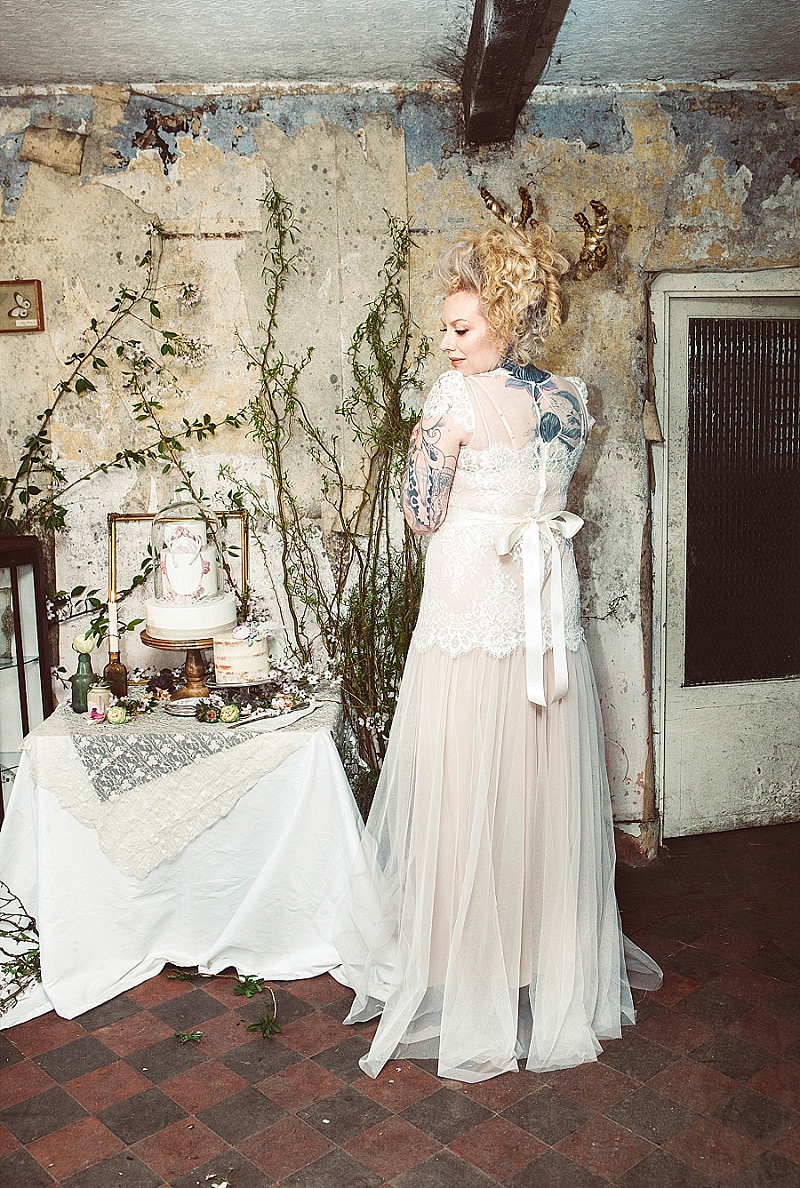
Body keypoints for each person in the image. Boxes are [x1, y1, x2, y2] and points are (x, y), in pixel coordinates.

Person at [333, 217, 662, 1084]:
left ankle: (466, 963)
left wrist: (425, 447)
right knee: (537, 784)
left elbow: (421, 514)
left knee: (465, 776)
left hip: (474, 612)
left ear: (504, 320)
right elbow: (547, 489)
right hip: (543, 610)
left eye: (461, 327)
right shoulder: (570, 399)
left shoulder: (453, 400)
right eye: (445, 329)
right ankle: (537, 959)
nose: (446, 344)